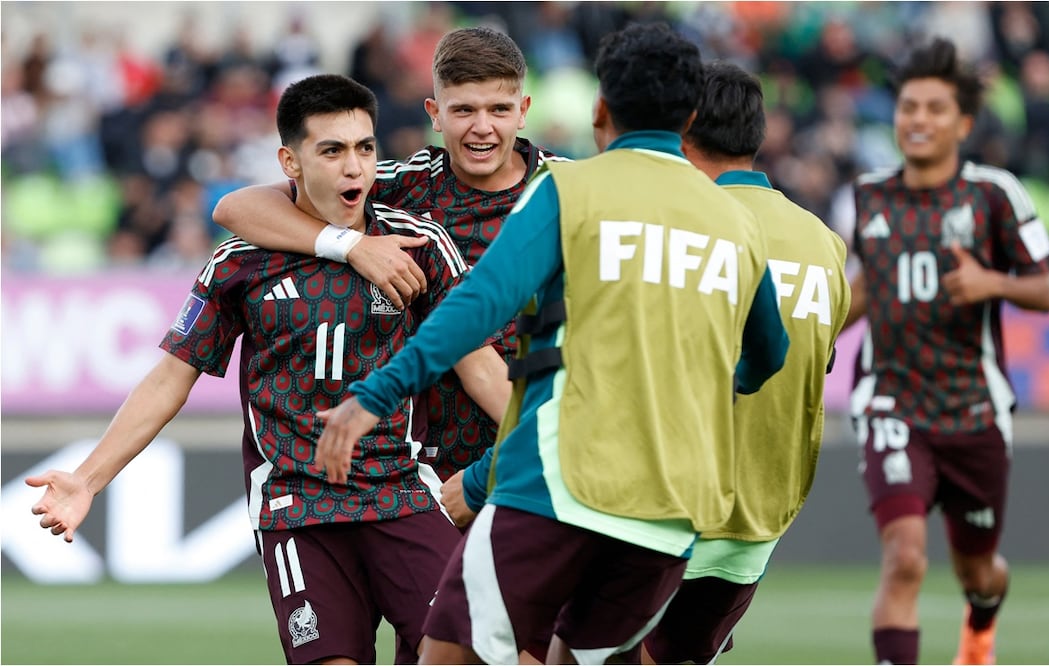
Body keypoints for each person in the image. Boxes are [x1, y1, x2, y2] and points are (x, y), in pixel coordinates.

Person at [313, 22, 790, 665]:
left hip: (554, 483)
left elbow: (476, 304)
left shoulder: (568, 190)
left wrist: (375, 394)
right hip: (675, 508)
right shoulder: (733, 218)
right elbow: (768, 357)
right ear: (692, 115)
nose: (483, 126)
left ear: (599, 110)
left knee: (446, 654)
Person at [26, 73, 510, 665]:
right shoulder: (240, 263)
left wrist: (543, 444)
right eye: (331, 151)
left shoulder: (419, 245)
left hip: (401, 494)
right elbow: (168, 380)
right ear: (291, 160)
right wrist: (86, 480)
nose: (354, 167)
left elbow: (480, 367)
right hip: (296, 506)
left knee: (470, 653)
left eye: (364, 148)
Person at [214, 27, 566, 488]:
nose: (482, 127)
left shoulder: (573, 191)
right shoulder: (404, 185)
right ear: (435, 114)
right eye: (463, 110)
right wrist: (352, 245)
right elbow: (236, 208)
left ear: (522, 112)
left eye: (499, 109)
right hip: (434, 475)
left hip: (543, 458)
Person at [842, 38, 1049, 665]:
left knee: (979, 572)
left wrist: (992, 283)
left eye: (935, 108)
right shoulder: (867, 195)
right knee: (904, 557)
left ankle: (982, 622)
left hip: (973, 411)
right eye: (909, 106)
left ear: (962, 123)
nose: (918, 119)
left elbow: (1046, 288)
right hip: (891, 402)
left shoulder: (995, 194)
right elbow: (861, 291)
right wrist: (816, 332)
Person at [640, 60, 852, 664]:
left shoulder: (678, 229)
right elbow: (818, 360)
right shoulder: (823, 243)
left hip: (663, 507)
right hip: (761, 515)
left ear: (680, 131)